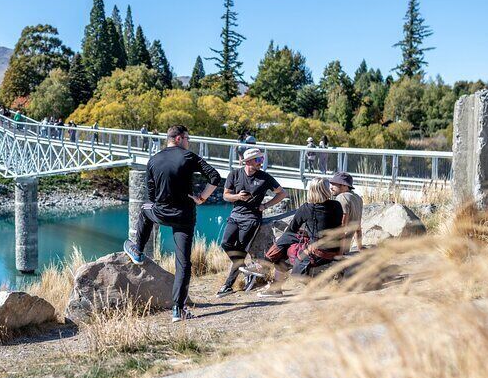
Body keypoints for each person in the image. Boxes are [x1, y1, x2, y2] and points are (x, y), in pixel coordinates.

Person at [123, 125, 221, 322]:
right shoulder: (189, 157)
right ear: (179, 138)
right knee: (183, 263)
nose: (188, 143)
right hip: (184, 216)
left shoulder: (153, 160)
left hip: (161, 212)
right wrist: (202, 197)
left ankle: (138, 251)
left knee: (145, 209)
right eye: (187, 139)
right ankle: (178, 309)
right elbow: (215, 177)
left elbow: (151, 195)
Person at [240, 178, 343, 296]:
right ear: (325, 190)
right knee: (288, 244)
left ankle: (264, 268)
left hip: (317, 252)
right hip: (334, 249)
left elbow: (291, 229)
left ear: (312, 191)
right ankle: (271, 280)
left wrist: (293, 236)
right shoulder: (336, 205)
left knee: (288, 239)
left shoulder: (307, 208)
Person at [216, 148, 287, 298]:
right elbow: (226, 196)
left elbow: (282, 193)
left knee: (240, 250)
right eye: (258, 160)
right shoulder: (234, 174)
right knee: (225, 243)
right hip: (235, 215)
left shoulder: (265, 177)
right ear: (248, 161)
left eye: (262, 159)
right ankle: (246, 269)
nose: (261, 162)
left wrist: (266, 206)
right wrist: (238, 197)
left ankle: (228, 285)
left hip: (252, 218)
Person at [330, 172, 363, 254]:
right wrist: (360, 247)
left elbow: (342, 227)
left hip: (336, 249)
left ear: (344, 185)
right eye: (331, 184)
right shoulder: (358, 198)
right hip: (346, 249)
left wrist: (340, 253)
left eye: (334, 184)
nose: (331, 187)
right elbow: (358, 227)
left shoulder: (342, 197)